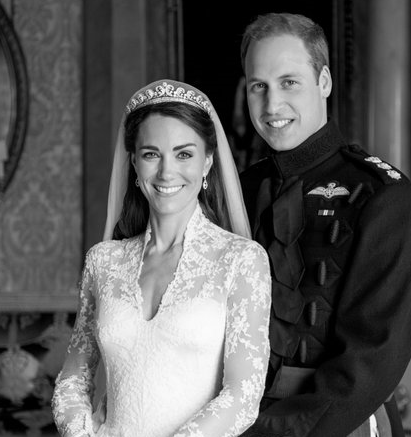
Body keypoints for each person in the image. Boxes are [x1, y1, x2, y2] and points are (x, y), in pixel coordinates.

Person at [238, 13, 411, 437]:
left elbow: (371, 359)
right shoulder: (238, 191)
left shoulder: (386, 196)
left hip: (338, 424)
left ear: (323, 81)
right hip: (234, 416)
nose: (271, 106)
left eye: (289, 82)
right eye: (258, 86)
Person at [51, 79, 272, 437]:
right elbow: (73, 378)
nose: (167, 172)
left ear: (207, 163)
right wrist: (82, 432)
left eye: (184, 154)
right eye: (151, 154)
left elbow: (242, 395)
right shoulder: (103, 263)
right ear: (134, 165)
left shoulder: (241, 261)